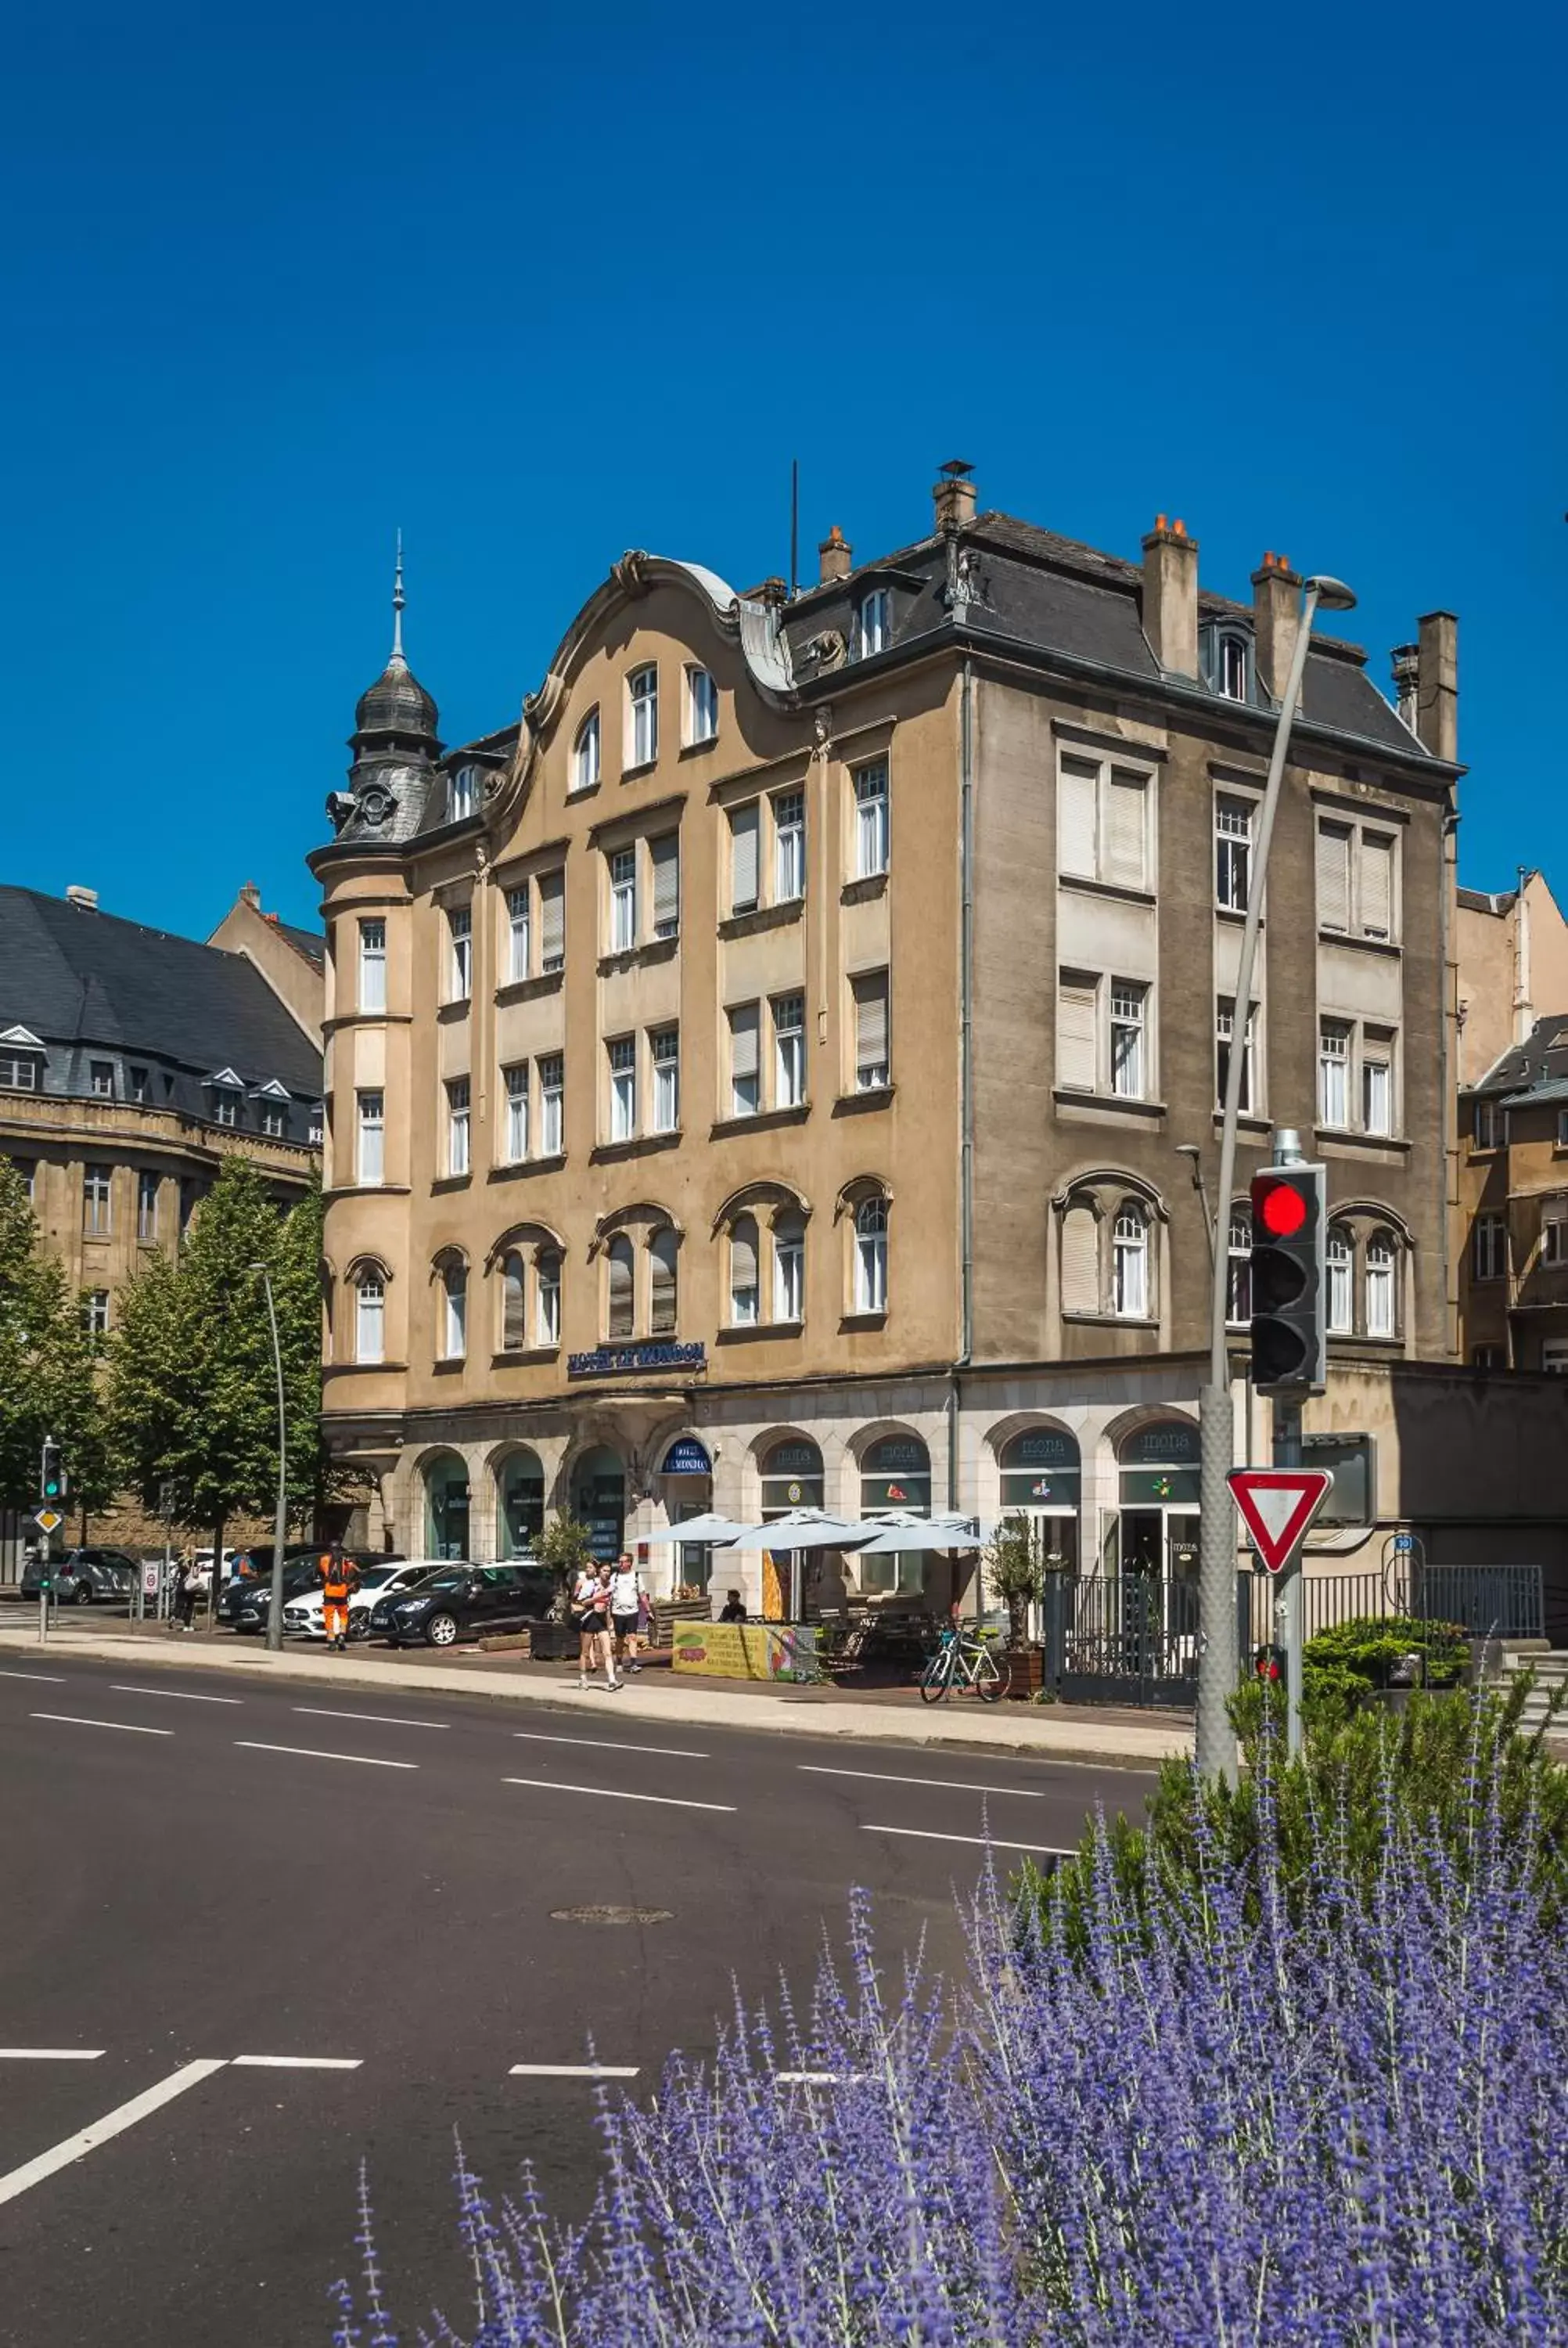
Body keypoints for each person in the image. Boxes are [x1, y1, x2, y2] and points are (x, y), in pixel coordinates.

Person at [572, 1558, 619, 1691]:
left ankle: (612, 1680)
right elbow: (582, 1602)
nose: (607, 1573)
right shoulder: (591, 1584)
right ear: (599, 1571)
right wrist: (596, 1597)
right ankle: (583, 1678)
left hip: (601, 1619)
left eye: (609, 1571)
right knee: (585, 1652)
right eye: (604, 1571)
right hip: (589, 1618)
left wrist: (610, 1622)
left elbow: (608, 1605)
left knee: (608, 1652)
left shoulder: (611, 1586)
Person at [318, 1543, 360, 1652]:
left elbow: (318, 1573)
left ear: (330, 1549)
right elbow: (357, 1572)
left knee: (329, 1617)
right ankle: (341, 1636)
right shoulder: (345, 1561)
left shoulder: (324, 1560)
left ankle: (332, 1641)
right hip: (342, 1592)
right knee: (343, 1616)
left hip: (329, 1592)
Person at [608, 1551, 645, 1674]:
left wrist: (648, 1610)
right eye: (619, 1562)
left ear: (629, 1563)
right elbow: (610, 1594)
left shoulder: (636, 1576)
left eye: (623, 1562)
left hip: (632, 1611)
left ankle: (634, 1664)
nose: (620, 1564)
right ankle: (619, 1662)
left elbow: (642, 1595)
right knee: (619, 1639)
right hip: (618, 1612)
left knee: (633, 1637)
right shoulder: (615, 1577)